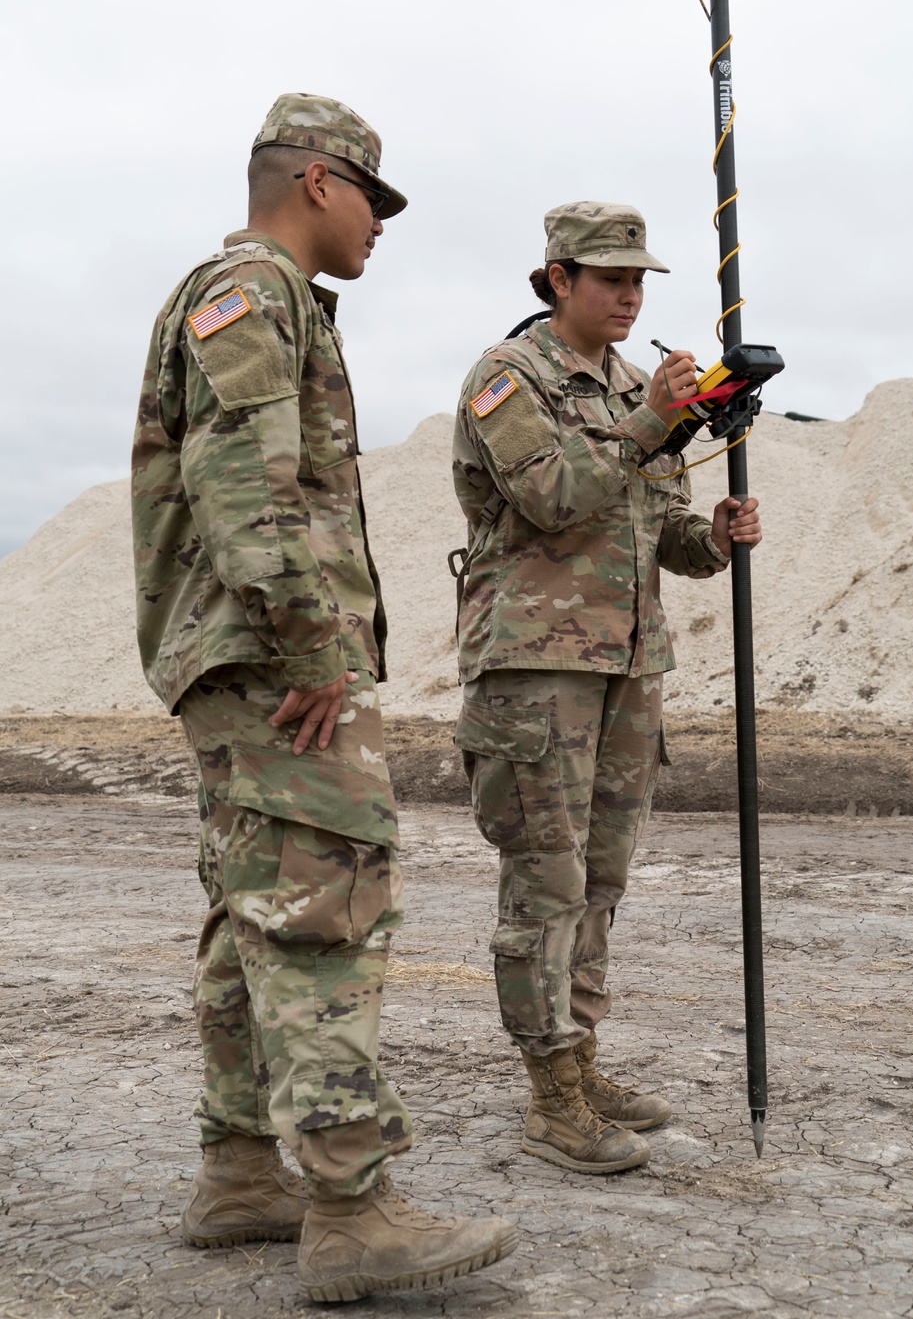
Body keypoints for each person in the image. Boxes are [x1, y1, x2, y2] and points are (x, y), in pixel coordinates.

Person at [132, 94, 516, 1303]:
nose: (381, 223)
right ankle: (352, 1205)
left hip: (237, 655)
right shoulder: (255, 292)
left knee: (251, 912)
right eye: (371, 196)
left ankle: (242, 1170)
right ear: (312, 181)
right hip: (273, 659)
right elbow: (242, 471)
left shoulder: (249, 297)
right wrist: (309, 645)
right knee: (325, 904)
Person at [452, 201, 762, 1175]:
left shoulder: (638, 384)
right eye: (608, 277)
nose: (629, 294)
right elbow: (548, 495)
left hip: (628, 661)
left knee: (602, 875)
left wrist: (715, 534)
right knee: (546, 872)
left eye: (639, 280)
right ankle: (550, 1091)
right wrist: (650, 422)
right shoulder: (512, 376)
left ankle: (580, 1058)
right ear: (555, 278)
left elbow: (655, 525)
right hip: (537, 662)